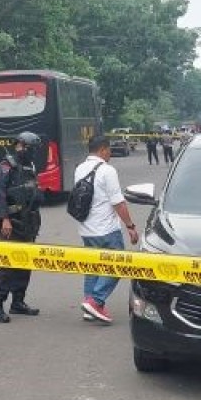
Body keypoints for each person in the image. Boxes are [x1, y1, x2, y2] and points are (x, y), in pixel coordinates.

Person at [73, 135, 139, 324]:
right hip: (106, 229)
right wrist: (130, 226)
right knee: (119, 264)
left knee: (93, 267)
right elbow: (118, 202)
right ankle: (96, 301)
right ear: (102, 150)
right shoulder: (107, 170)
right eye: (109, 149)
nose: (110, 153)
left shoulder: (79, 168)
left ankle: (89, 305)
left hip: (86, 229)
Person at [0, 131, 43, 323]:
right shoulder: (5, 167)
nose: (23, 150)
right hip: (10, 221)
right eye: (22, 146)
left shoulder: (29, 166)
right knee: (7, 263)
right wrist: (4, 219)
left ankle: (18, 301)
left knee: (25, 261)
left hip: (28, 220)